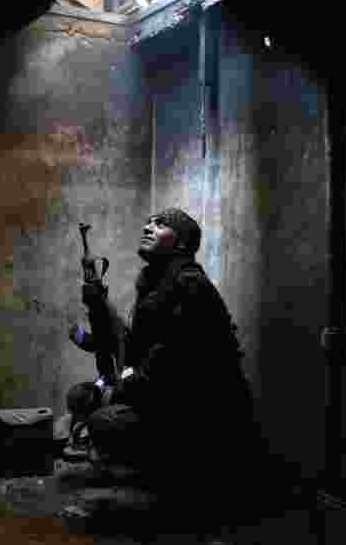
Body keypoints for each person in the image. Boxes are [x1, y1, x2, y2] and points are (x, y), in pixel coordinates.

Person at [64, 208, 251, 522]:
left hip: (200, 412)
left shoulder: (189, 285)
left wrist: (120, 389)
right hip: (165, 395)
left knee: (104, 420)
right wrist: (96, 305)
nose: (148, 226)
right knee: (82, 396)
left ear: (181, 243)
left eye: (161, 224)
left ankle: (178, 492)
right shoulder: (157, 283)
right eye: (148, 221)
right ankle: (149, 479)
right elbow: (131, 343)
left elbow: (170, 364)